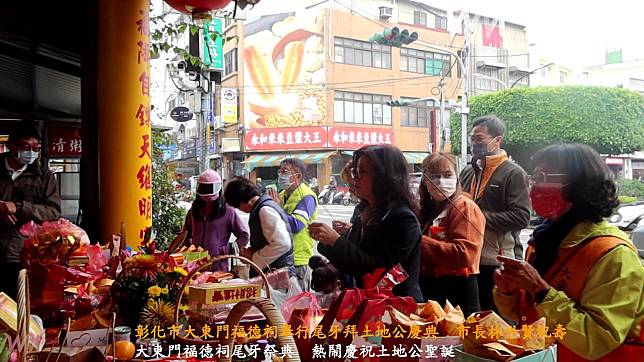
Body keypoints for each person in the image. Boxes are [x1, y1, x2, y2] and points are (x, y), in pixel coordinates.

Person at [493, 144, 644, 360]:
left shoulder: (614, 254)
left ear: (580, 184)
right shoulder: (546, 240)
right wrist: (508, 293)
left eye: (544, 177)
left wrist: (541, 290)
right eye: (534, 178)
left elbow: (597, 339)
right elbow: (527, 316)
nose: (535, 187)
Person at [309, 145, 423, 301]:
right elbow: (353, 258)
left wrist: (335, 240)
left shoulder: (403, 218)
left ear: (384, 177)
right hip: (368, 303)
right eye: (356, 171)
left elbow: (377, 269)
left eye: (363, 172)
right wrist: (328, 242)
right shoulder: (365, 211)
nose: (355, 176)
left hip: (397, 307)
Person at [460, 115, 530, 312]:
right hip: (470, 258)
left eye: (479, 139)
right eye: (472, 139)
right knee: (473, 321)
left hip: (499, 260)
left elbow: (521, 217)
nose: (474, 144)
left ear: (497, 140)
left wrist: (476, 217)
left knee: (498, 323)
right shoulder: (468, 171)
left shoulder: (513, 173)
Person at [418, 153, 485, 317]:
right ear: (425, 181)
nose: (441, 181)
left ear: (456, 177)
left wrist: (418, 241)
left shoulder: (464, 207)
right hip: (432, 287)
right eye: (434, 176)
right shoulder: (430, 208)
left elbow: (464, 254)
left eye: (447, 175)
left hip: (457, 290)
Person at [0, 122, 61, 298]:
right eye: (26, 147)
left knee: (18, 306)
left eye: (35, 148)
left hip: (24, 252)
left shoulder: (43, 176)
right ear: (11, 146)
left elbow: (53, 211)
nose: (31, 153)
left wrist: (18, 208)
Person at [223, 177, 295, 277]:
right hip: (276, 273)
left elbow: (282, 243)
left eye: (238, 207)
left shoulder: (264, 210)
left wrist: (254, 257)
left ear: (242, 202)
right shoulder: (264, 206)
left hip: (277, 275)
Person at [266, 158, 318, 291]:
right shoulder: (282, 195)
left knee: (297, 306)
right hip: (280, 258)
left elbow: (296, 226)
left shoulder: (307, 197)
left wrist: (278, 208)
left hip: (298, 260)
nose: (281, 176)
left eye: (285, 172)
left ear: (298, 176)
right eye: (280, 172)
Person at [183, 170, 249, 272]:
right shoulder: (194, 210)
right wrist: (187, 250)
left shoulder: (228, 211)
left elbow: (244, 236)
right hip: (194, 267)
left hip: (218, 267)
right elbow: (185, 234)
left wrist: (226, 250)